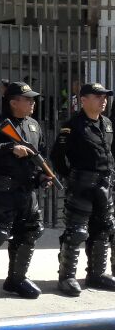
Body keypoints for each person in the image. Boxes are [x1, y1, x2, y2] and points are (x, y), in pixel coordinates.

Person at [0, 81, 50, 303]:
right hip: (2, 190)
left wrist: (44, 175)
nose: (33, 103)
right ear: (14, 102)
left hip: (27, 191)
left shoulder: (34, 125)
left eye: (33, 99)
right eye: (28, 99)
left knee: (31, 231)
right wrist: (9, 147)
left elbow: (41, 154)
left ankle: (17, 279)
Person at [51, 82, 115, 296]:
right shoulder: (73, 126)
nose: (103, 100)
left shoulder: (106, 123)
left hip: (104, 185)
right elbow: (57, 156)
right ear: (84, 100)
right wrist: (70, 177)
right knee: (76, 232)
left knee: (104, 229)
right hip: (82, 185)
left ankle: (97, 274)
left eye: (105, 96)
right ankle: (67, 276)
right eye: (98, 96)